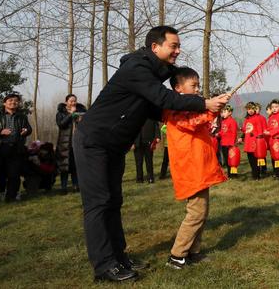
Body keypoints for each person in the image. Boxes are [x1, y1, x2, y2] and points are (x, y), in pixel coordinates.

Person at [72, 26, 229, 282]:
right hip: (94, 141)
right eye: (173, 46)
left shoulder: (151, 74)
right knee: (98, 204)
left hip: (113, 145)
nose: (178, 51)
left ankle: (119, 257)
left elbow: (163, 109)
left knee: (113, 201)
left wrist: (203, 112)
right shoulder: (136, 69)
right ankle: (103, 266)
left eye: (178, 46)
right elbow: (164, 99)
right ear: (155, 47)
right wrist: (204, 103)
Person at [164, 67, 227, 269]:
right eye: (194, 85)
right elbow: (191, 123)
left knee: (202, 211)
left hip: (200, 167)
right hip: (190, 168)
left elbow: (200, 124)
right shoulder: (174, 109)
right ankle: (177, 255)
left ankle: (193, 251)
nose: (198, 89)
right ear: (178, 88)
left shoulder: (190, 108)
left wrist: (213, 112)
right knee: (196, 213)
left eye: (199, 85)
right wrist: (211, 110)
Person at [0, 92, 32, 202]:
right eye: (10, 100)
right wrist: (0, 131)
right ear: (4, 103)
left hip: (15, 148)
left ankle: (11, 197)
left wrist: (26, 131)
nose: (13, 102)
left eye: (15, 101)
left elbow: (29, 129)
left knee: (14, 175)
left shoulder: (22, 116)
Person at [55, 94, 86, 193]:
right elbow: (61, 124)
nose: (73, 103)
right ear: (66, 102)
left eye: (75, 101)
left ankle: (76, 186)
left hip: (77, 142)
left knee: (75, 165)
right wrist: (70, 114)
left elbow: (87, 124)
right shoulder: (60, 113)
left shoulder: (81, 111)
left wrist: (81, 120)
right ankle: (63, 187)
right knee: (64, 166)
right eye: (71, 101)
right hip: (64, 143)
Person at [264, 99, 279, 179]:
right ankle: (277, 174)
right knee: (274, 158)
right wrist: (266, 130)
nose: (274, 109)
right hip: (272, 140)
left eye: (276, 107)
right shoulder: (271, 117)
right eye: (272, 107)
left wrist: (270, 133)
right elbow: (270, 127)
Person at [242, 102, 264, 180]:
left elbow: (260, 131)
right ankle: (254, 174)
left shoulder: (257, 118)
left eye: (252, 108)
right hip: (248, 142)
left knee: (255, 160)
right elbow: (244, 130)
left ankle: (257, 175)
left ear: (254, 109)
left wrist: (259, 140)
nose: (250, 110)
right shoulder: (246, 119)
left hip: (255, 142)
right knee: (251, 160)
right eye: (248, 109)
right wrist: (242, 136)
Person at [133, 119, 160, 183]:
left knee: (149, 161)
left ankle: (150, 178)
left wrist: (157, 136)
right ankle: (139, 179)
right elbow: (130, 129)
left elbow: (156, 125)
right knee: (138, 162)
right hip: (137, 142)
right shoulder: (135, 115)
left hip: (149, 141)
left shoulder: (151, 114)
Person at [217, 105, 239, 177]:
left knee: (232, 159)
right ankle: (230, 174)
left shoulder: (232, 121)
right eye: (222, 112)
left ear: (230, 112)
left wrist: (233, 143)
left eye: (225, 112)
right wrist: (218, 134)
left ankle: (234, 174)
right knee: (227, 160)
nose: (223, 113)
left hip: (230, 144)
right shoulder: (223, 121)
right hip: (223, 143)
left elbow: (234, 133)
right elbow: (222, 131)